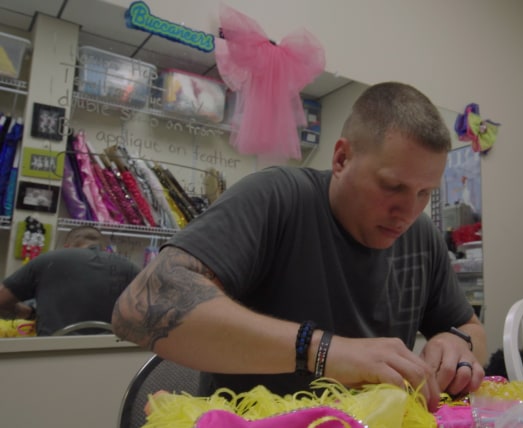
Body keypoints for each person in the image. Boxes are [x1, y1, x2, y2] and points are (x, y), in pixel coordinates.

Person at [112, 81, 488, 412]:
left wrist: (457, 346)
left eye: (425, 193)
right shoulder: (278, 198)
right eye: (392, 186)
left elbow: (471, 327)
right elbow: (141, 304)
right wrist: (323, 352)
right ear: (342, 158)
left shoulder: (420, 235)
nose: (408, 211)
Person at [0, 225, 142, 335]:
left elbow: (2, 299)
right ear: (105, 249)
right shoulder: (128, 266)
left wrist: (27, 312)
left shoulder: (49, 259)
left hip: (51, 351)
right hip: (109, 352)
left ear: (67, 247)